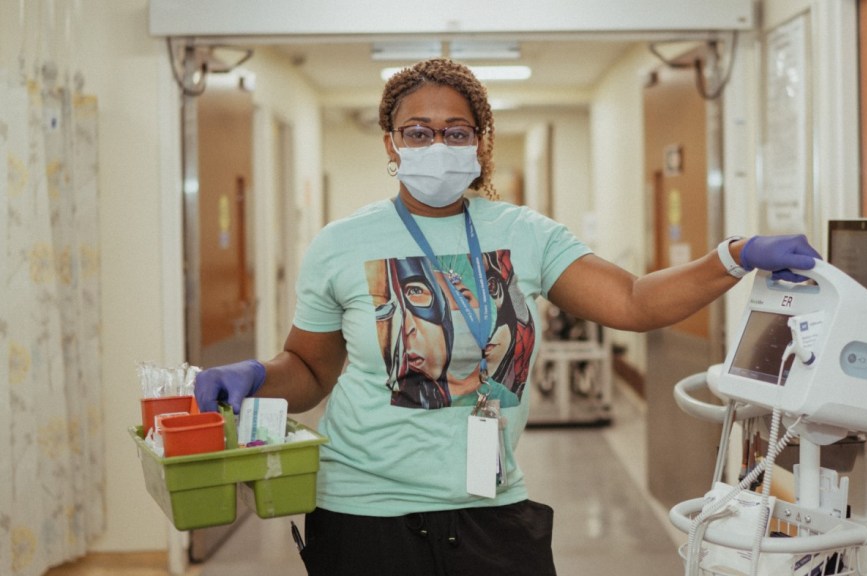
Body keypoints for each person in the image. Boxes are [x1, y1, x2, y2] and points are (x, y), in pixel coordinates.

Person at [194, 58, 820, 576]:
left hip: (491, 505)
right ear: (391, 142)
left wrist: (733, 257)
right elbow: (310, 368)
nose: (436, 145)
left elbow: (633, 301)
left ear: (479, 141)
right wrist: (257, 375)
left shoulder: (525, 234)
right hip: (363, 512)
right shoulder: (340, 243)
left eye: (456, 131)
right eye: (418, 131)